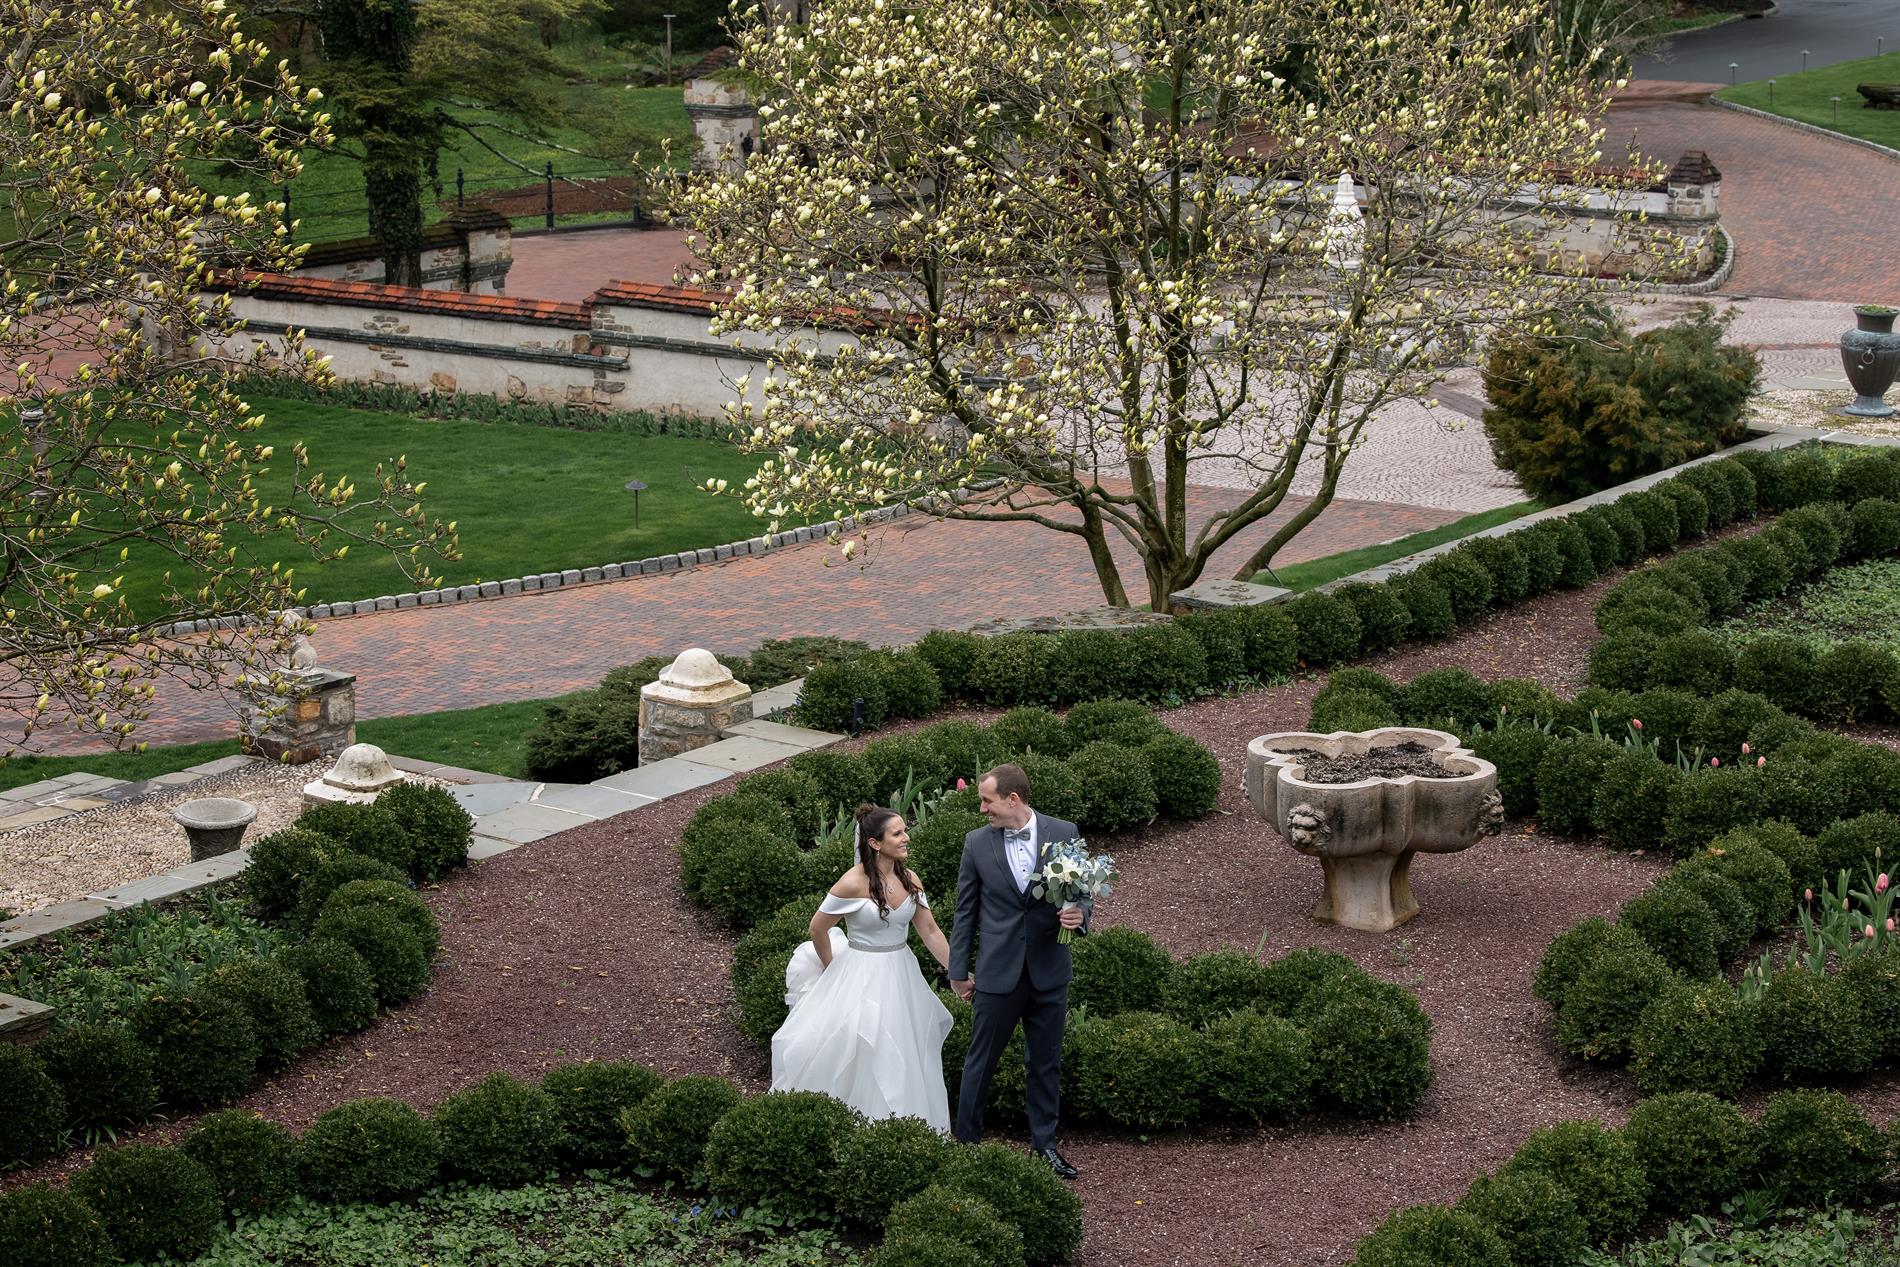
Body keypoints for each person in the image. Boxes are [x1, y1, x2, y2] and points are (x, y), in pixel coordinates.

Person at [770, 802, 955, 1130]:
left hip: (901, 974)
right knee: (863, 1046)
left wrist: (957, 972)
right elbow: (817, 928)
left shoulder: (910, 880)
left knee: (904, 1047)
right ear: (874, 843)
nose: (906, 837)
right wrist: (832, 969)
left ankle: (904, 1127)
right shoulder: (852, 883)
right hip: (859, 973)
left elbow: (929, 930)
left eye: (905, 831)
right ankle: (855, 1125)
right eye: (897, 833)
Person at [948, 763, 1087, 1179]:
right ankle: (966, 1148)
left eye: (986, 801)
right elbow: (965, 912)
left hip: (1049, 971)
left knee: (1045, 1063)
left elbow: (1081, 892)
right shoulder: (976, 843)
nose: (982, 810)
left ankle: (1045, 1147)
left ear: (1013, 799)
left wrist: (1080, 915)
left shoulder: (1064, 832)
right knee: (980, 1062)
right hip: (997, 972)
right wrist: (957, 970)